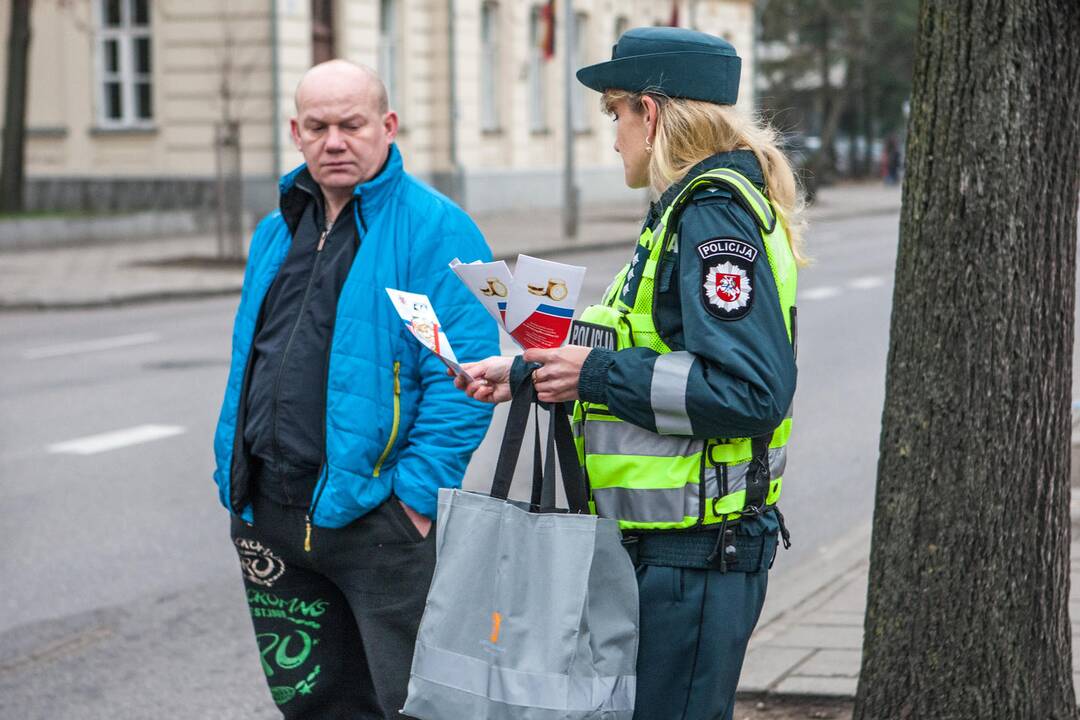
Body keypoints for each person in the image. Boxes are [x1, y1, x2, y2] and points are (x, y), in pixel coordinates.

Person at [454, 27, 806, 720]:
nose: (612, 134)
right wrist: (526, 371)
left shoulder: (711, 214)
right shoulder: (681, 210)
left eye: (614, 111)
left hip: (696, 557)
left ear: (652, 112)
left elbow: (749, 391)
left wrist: (594, 376)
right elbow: (634, 339)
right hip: (668, 553)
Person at [212, 60, 499, 719]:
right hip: (271, 516)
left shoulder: (438, 230)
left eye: (351, 124)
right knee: (314, 706)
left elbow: (462, 378)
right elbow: (249, 361)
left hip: (378, 523)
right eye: (317, 126)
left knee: (414, 705)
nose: (334, 140)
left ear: (387, 126)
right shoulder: (275, 229)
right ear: (296, 132)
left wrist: (415, 503)